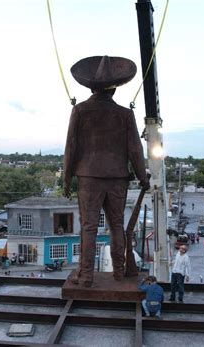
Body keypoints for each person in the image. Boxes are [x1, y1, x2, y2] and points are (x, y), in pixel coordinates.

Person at [64, 55, 149, 288]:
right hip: (117, 178)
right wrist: (142, 177)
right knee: (117, 226)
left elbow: (71, 146)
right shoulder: (124, 114)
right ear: (114, 90)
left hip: (88, 177)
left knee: (89, 228)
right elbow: (134, 148)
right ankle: (119, 274)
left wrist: (66, 179)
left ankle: (87, 275)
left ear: (91, 87)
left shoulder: (80, 111)